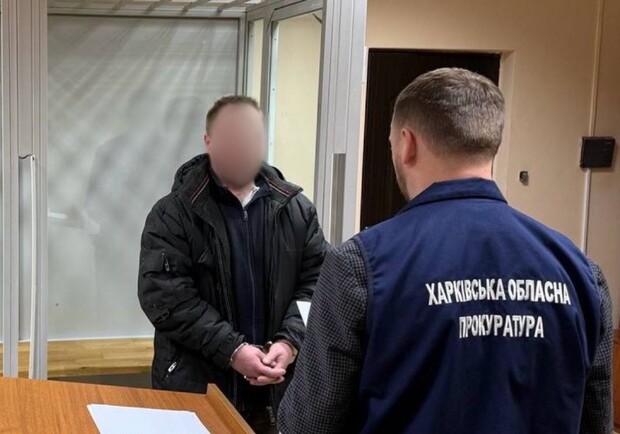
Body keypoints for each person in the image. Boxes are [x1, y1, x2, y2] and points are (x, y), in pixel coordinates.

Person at [278, 68, 612, 434]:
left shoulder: (360, 266)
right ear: (491, 145)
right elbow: (596, 421)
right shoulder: (579, 272)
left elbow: (309, 424)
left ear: (407, 143)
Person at [138, 95, 327, 433]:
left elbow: (317, 285)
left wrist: (290, 342)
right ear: (208, 141)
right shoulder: (173, 213)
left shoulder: (297, 210)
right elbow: (166, 299)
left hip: (277, 392)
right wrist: (234, 351)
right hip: (197, 390)